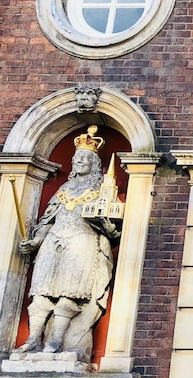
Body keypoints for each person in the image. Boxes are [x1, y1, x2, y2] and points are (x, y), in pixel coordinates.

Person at [14, 125, 120, 363]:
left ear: (94, 163)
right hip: (53, 243)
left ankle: (57, 340)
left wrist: (104, 223)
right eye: (77, 157)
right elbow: (48, 220)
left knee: (68, 295)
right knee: (40, 293)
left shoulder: (100, 191)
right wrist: (36, 240)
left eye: (85, 158)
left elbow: (113, 228)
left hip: (83, 243)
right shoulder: (63, 189)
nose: (79, 161)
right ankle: (33, 338)